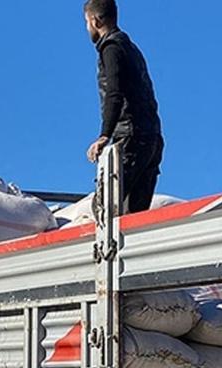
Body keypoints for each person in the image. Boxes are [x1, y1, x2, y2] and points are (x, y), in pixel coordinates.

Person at [83, 0, 164, 214]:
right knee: (132, 217)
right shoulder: (131, 48)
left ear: (95, 20)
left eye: (87, 23)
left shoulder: (112, 48)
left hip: (131, 138)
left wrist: (104, 135)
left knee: (104, 209)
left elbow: (114, 92)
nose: (87, 29)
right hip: (152, 139)